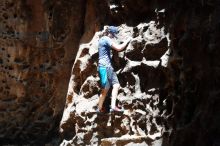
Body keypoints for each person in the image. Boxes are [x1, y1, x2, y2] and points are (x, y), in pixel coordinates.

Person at [97, 26, 131, 112]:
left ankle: (99, 108)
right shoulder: (107, 39)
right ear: (110, 33)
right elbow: (119, 48)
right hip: (107, 66)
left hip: (101, 67)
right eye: (113, 35)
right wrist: (127, 40)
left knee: (105, 89)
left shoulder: (101, 40)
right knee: (116, 85)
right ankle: (113, 106)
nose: (113, 37)